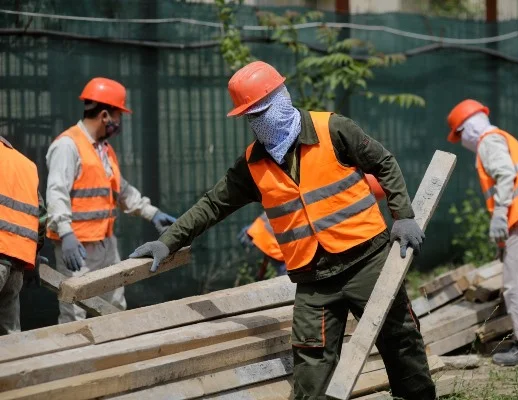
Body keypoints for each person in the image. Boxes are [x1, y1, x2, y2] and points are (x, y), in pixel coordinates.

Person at [130, 61, 435, 399]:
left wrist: (403, 216)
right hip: (314, 279)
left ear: (282, 98)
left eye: (262, 111)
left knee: (399, 338)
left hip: (368, 261)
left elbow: (383, 162)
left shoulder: (333, 129)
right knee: (311, 362)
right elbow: (212, 204)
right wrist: (168, 242)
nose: (258, 122)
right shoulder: (251, 165)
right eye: (250, 117)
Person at [46, 77, 176, 323]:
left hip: (106, 244)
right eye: (119, 115)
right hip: (77, 247)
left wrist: (151, 212)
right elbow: (56, 192)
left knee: (114, 307)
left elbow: (121, 189)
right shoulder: (68, 146)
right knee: (75, 312)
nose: (120, 122)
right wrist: (66, 233)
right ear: (105, 115)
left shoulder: (103, 149)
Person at [446, 99, 518, 366]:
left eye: (459, 135)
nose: (461, 141)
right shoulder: (502, 138)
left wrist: (500, 213)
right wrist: (503, 242)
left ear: (467, 128)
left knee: (516, 284)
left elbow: (505, 174)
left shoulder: (488, 141)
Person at [238, 175, 387, 280]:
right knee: (292, 275)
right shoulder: (333, 200)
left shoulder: (329, 190)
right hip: (276, 238)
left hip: (262, 231)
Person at [0, 136, 47, 335]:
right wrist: (33, 256)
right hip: (16, 267)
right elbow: (40, 218)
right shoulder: (25, 165)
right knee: (10, 337)